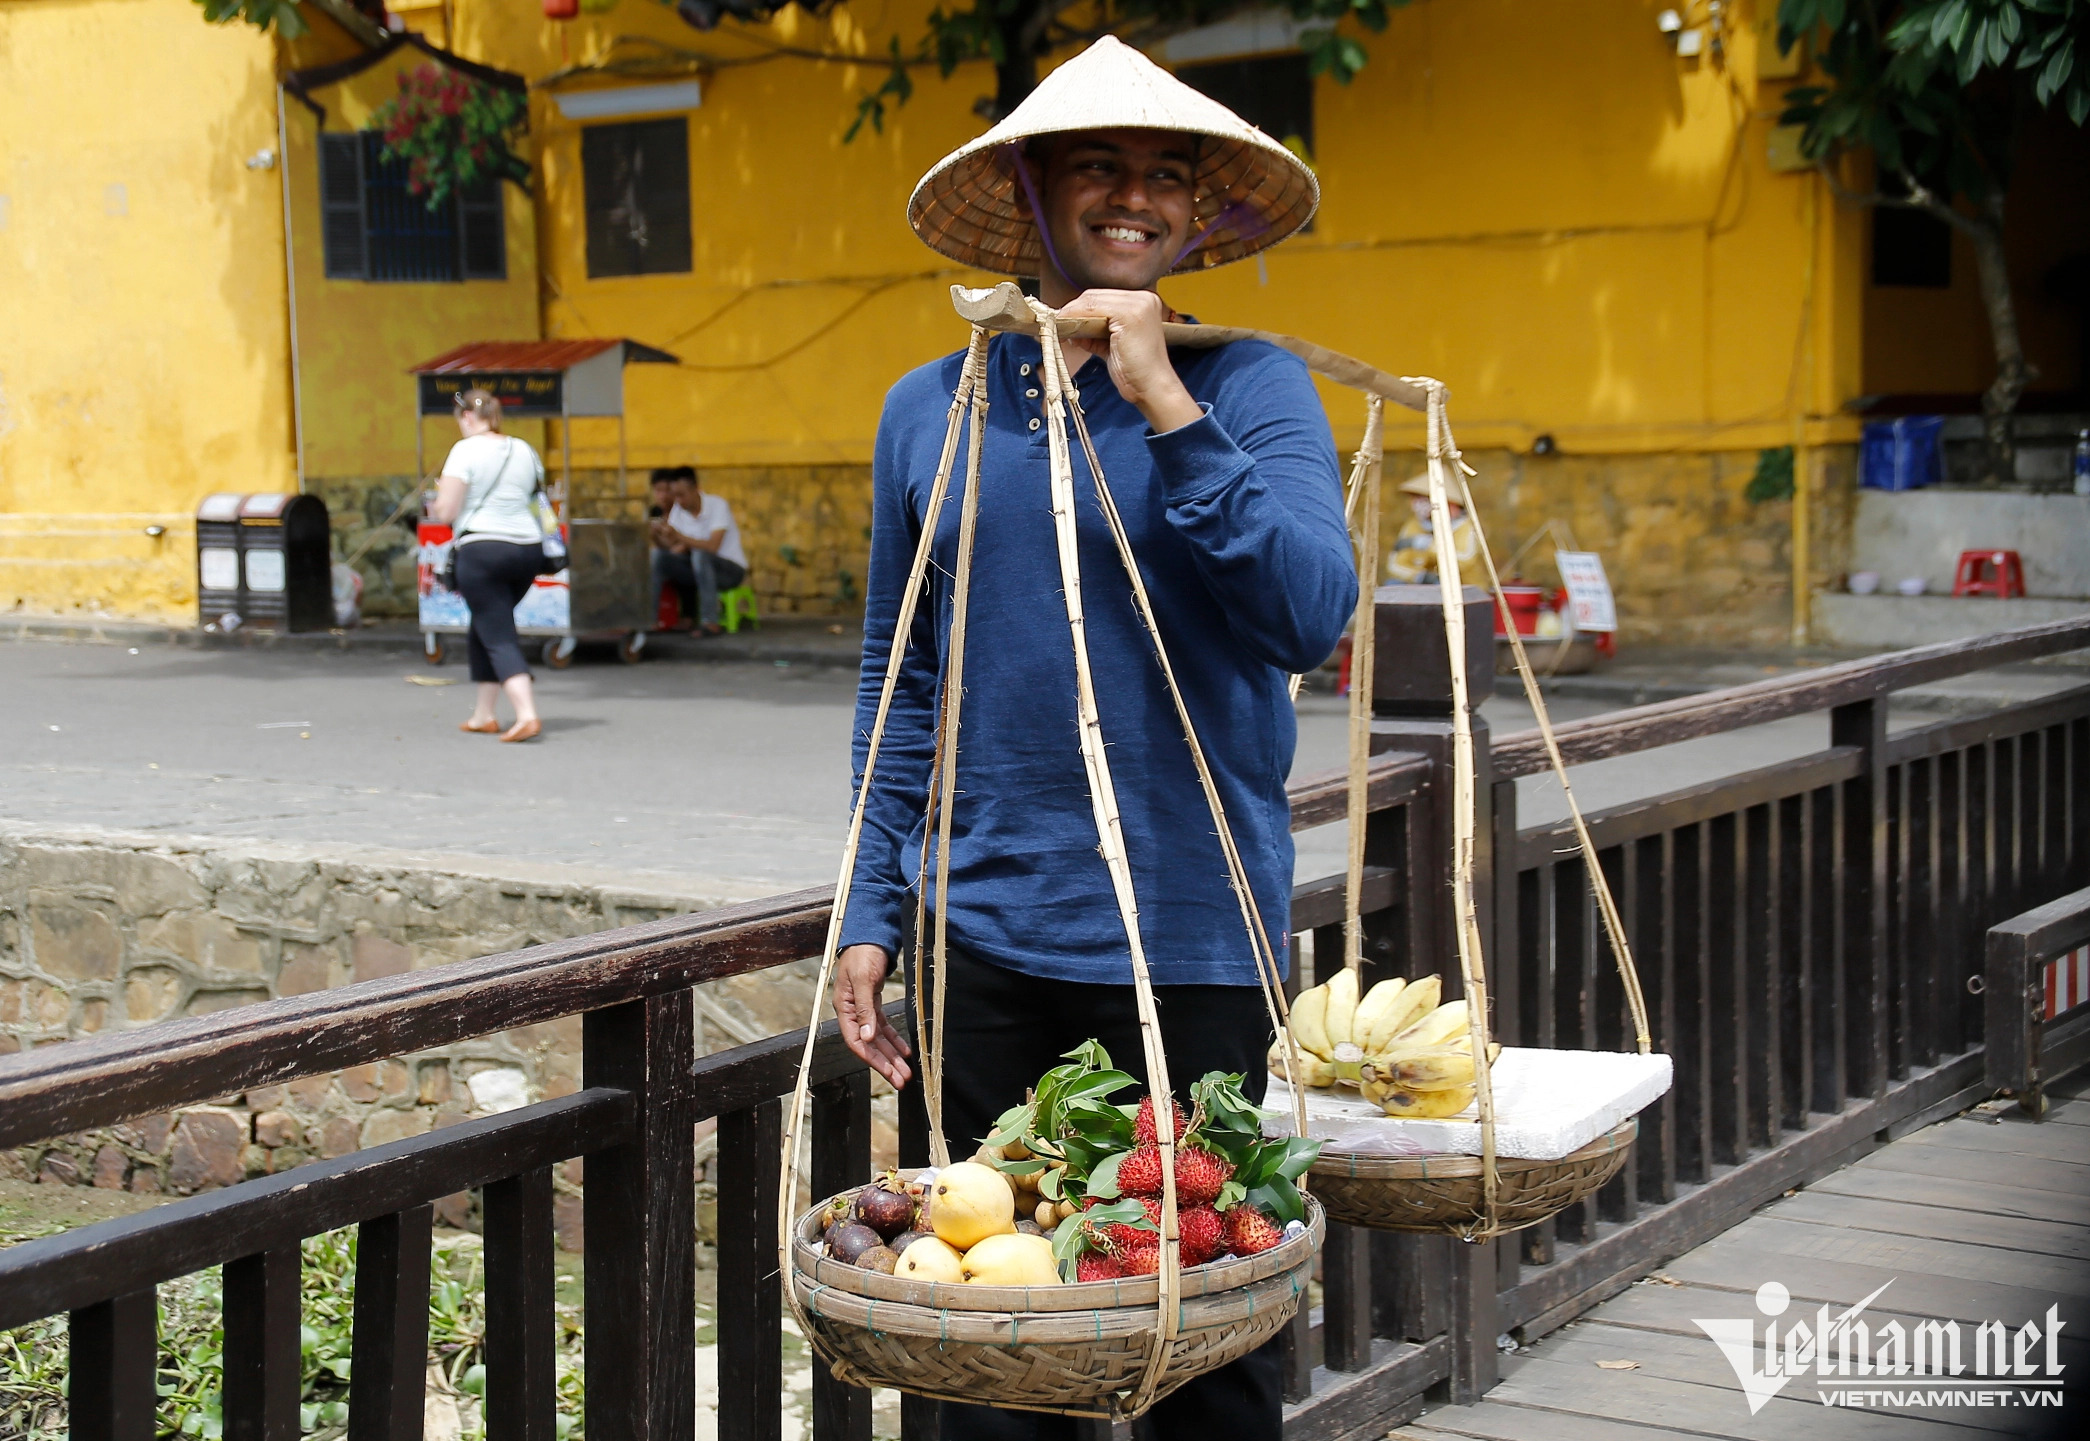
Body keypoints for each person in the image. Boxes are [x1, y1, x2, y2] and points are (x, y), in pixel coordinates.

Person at [830, 37, 1349, 1441]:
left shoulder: (1247, 390)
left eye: (1165, 177)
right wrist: (871, 904)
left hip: (1191, 940)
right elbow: (899, 675)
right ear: (1034, 193)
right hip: (982, 941)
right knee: (990, 1344)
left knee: (1205, 1340)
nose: (1135, 198)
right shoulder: (928, 409)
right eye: (1100, 169)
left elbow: (1310, 613)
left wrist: (1163, 408)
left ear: (1197, 214)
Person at [428, 388, 546, 743]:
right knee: (485, 621)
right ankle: (484, 714)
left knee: (497, 632)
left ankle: (526, 714)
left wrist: (439, 498)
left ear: (466, 417)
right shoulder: (523, 448)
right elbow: (536, 496)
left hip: (482, 551)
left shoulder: (464, 451)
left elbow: (446, 512)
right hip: (528, 549)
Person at [650, 466, 748, 635]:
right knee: (659, 557)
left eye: (682, 495)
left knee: (700, 555)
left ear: (696, 488)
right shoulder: (678, 512)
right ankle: (649, 619)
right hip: (699, 571)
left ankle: (710, 621)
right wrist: (656, 536)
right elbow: (674, 550)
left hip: (730, 571)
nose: (678, 501)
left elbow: (712, 546)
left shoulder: (717, 505)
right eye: (676, 496)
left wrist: (680, 537)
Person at [1385, 472, 1486, 587]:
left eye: (1424, 499)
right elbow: (1395, 564)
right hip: (1425, 591)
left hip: (1464, 590)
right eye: (1416, 499)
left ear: (1451, 503)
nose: (1418, 504)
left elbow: (1463, 560)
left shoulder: (1467, 527)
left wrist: (1429, 545)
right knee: (1393, 585)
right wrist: (1419, 576)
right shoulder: (1414, 525)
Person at [646, 467, 695, 624]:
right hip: (665, 555)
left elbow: (684, 544)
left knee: (677, 560)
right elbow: (662, 546)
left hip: (685, 558)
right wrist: (653, 536)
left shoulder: (683, 510)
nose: (663, 495)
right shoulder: (654, 512)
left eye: (667, 490)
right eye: (658, 490)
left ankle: (687, 615)